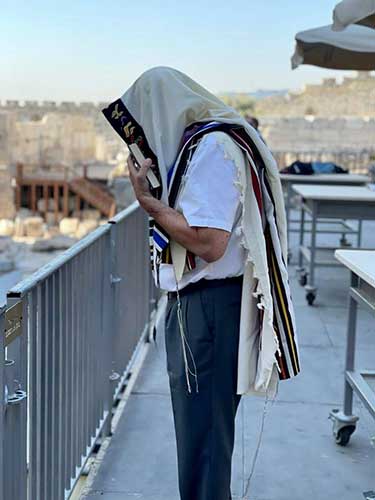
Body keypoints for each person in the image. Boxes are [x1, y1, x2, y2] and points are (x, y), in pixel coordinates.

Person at [102, 67, 300, 500]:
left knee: (204, 444)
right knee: (204, 439)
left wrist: (148, 203)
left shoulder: (212, 147)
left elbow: (209, 243)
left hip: (207, 312)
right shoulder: (215, 141)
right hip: (210, 308)